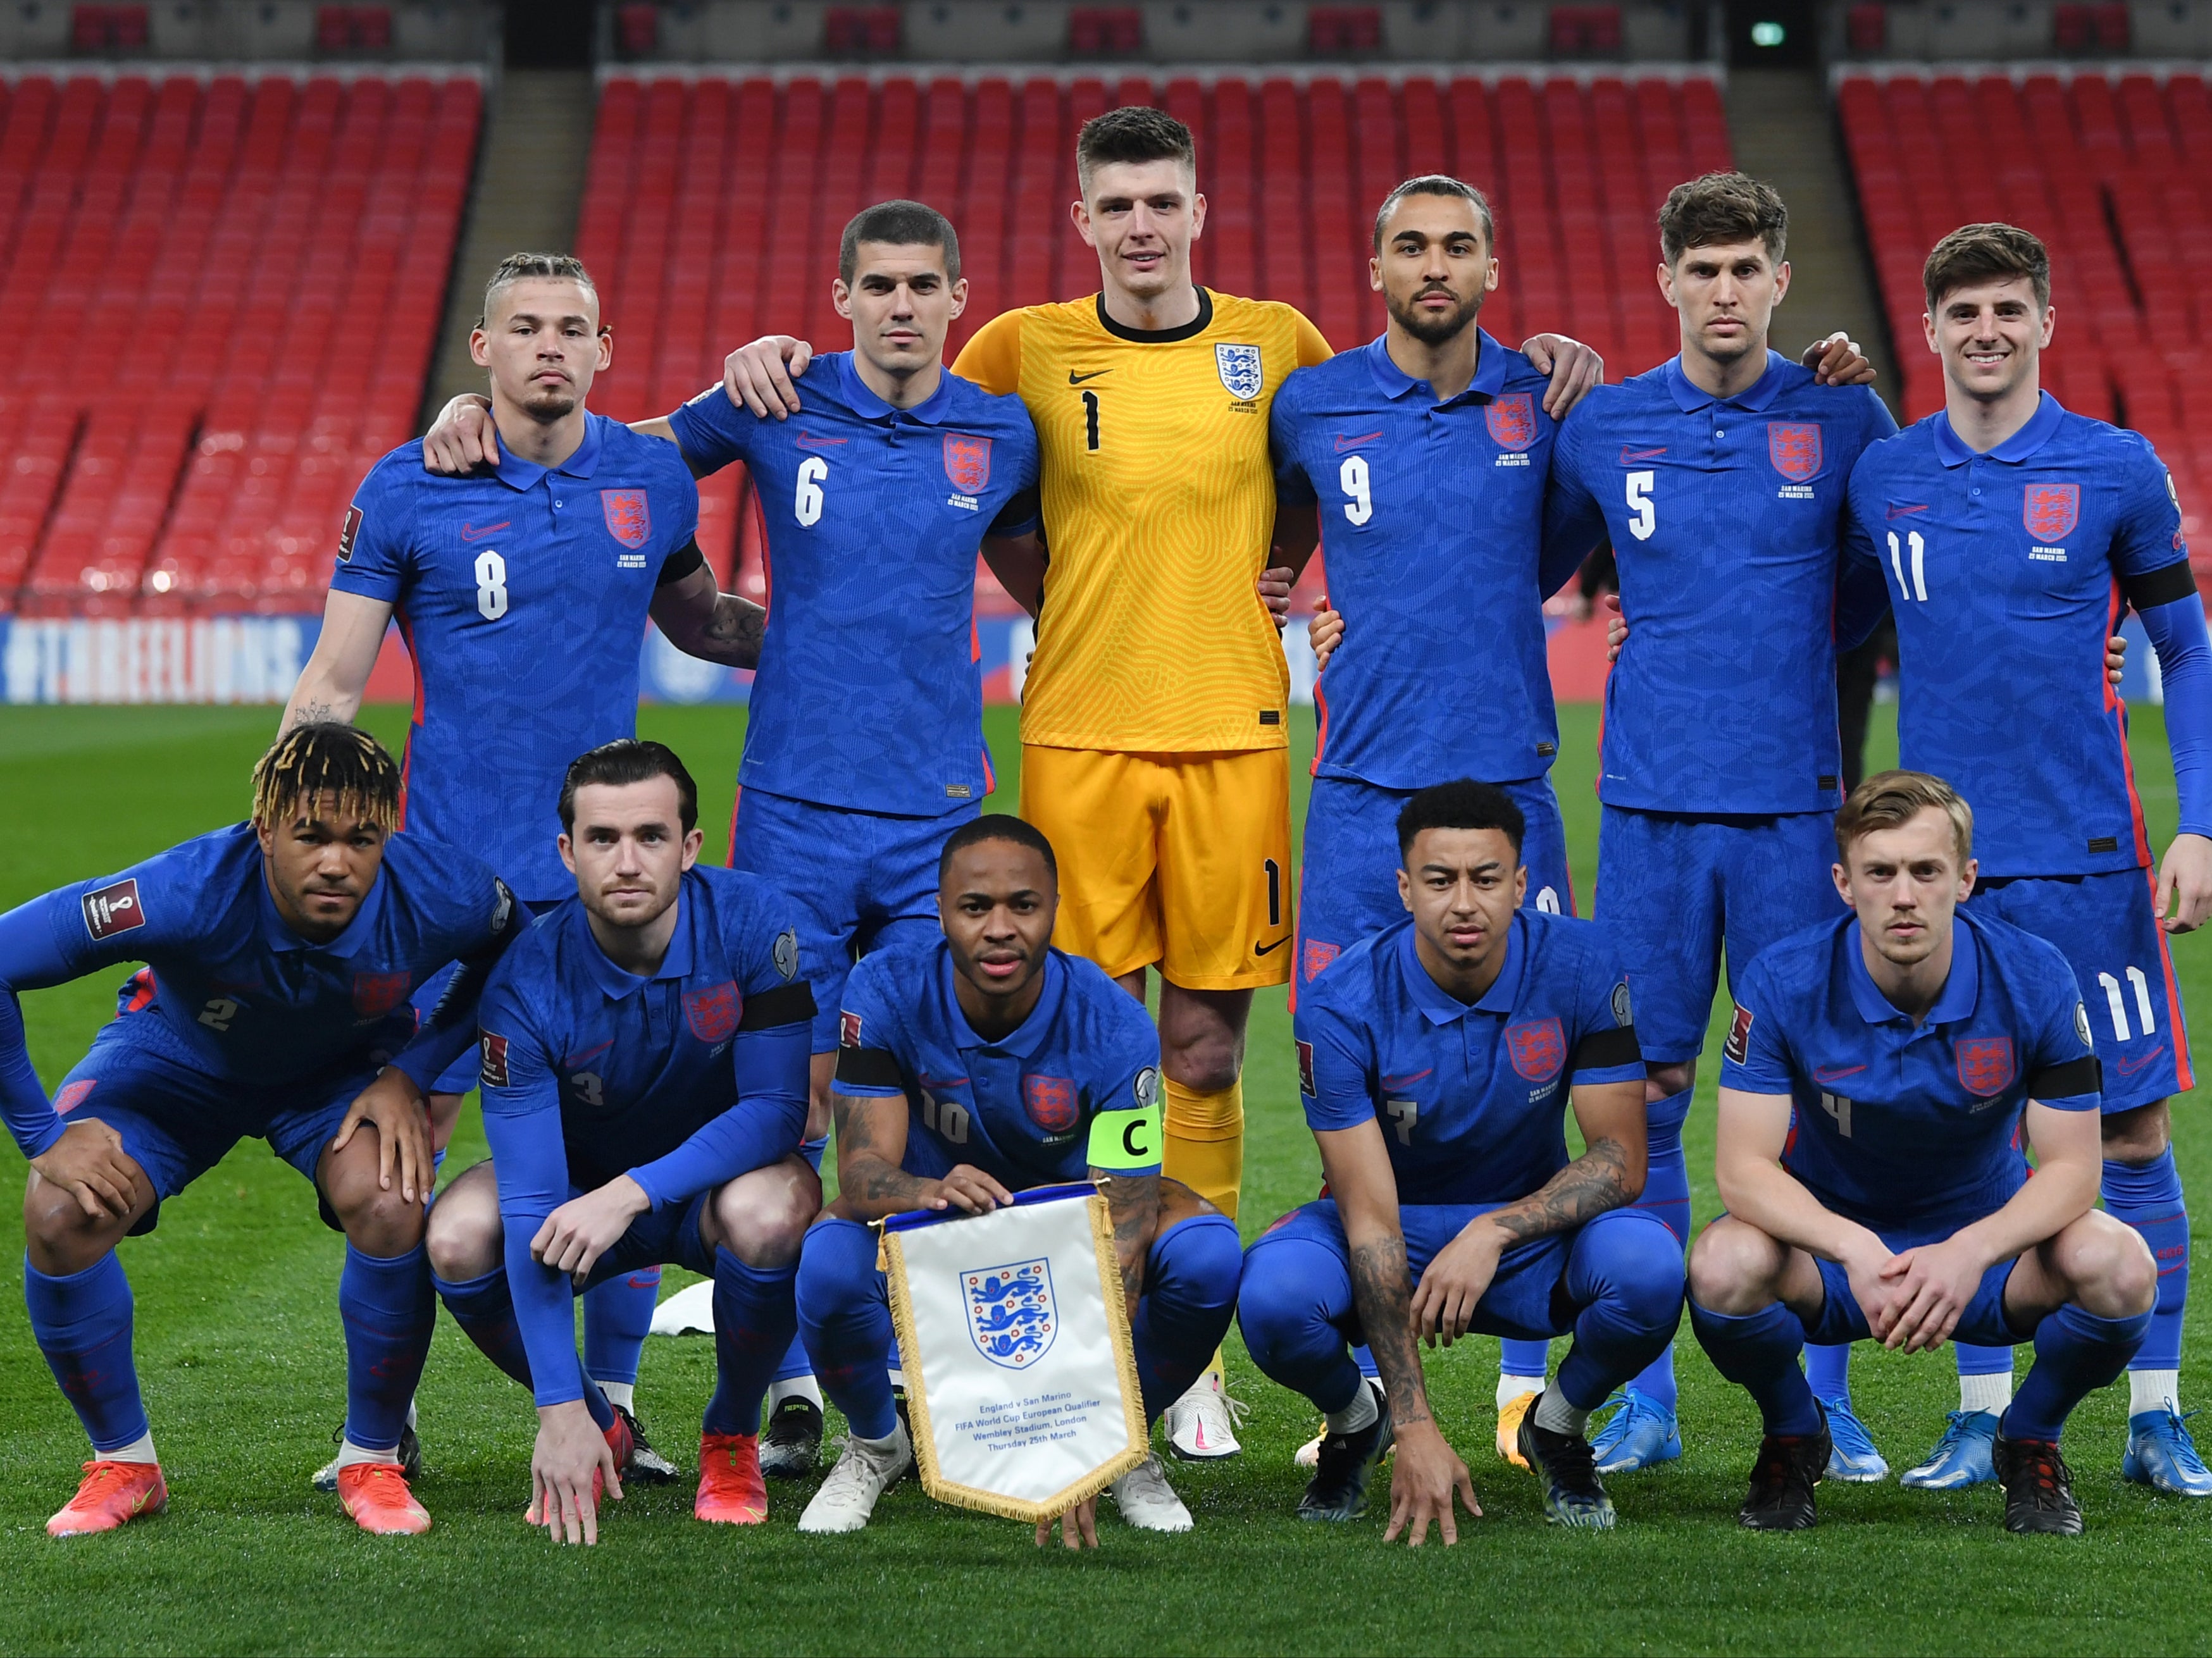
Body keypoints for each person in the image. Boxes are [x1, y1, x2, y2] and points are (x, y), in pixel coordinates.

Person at [718, 106, 1605, 1460]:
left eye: (1163, 203)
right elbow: (967, 480)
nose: (1141, 225)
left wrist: (1276, 584)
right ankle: (1082, 1312)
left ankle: (1181, 1345)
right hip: (1075, 737)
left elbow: (1317, 480)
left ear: (1200, 211)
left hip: (1234, 741)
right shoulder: (1017, 344)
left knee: (1199, 1043)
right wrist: (775, 354)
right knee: (1080, 1043)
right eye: (1116, 204)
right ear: (1082, 219)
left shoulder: (1283, 345)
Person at [419, 206, 1042, 1475]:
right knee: (797, 1096)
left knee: (940, 1098)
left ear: (961, 295)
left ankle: (958, 1381)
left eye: (925, 284)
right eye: (878, 284)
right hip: (793, 815)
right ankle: (804, 1377)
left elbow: (1071, 557)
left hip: (937, 808)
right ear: (843, 293)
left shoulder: (1001, 428)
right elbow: (617, 457)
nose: (903, 305)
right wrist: (473, 419)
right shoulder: (770, 395)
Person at [1275, 171, 1870, 1466]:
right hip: (1362, 795)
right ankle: (1391, 1390)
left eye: (1457, 245)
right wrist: (1286, 601)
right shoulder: (1328, 401)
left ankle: (1735, 1390)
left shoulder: (1575, 408)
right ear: (1373, 262)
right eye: (1410, 245)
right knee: (1366, 1083)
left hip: (1537, 791)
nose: (1433, 263)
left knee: (1561, 1076)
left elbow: (1855, 585)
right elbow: (1264, 539)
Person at [286, 252, 756, 1484]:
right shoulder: (405, 484)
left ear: (605, 347)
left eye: (573, 328)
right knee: (396, 1162)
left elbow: (702, 623)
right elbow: (334, 685)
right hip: (442, 891)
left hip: (599, 889)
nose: (550, 346)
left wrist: (851, 635)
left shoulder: (650, 476)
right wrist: (276, 843)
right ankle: (369, 1438)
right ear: (481, 350)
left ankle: (607, 1407)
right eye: (524, 328)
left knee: (630, 1129)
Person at [1838, 222, 2212, 1494]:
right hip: (1942, 873)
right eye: (1962, 313)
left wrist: (2199, 822)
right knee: (1967, 1135)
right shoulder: (1884, 474)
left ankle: (2155, 1413)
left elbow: (2188, 649)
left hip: (2090, 858)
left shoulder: (2112, 467)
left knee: (2129, 1128)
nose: (1985, 331)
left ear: (2043, 321)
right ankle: (1976, 1409)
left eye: (2006, 309)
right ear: (1930, 330)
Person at [0, 724, 529, 1536]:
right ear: (265, 829)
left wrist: (412, 1073)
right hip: (176, 1061)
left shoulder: (440, 888)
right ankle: (125, 1463)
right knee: (62, 1210)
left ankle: (372, 1458)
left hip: (338, 1074)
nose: (336, 861)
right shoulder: (183, 888)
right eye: (311, 834)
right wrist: (42, 1134)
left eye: (361, 838)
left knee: (392, 1197)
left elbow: (515, 948)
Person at [1689, 770, 2154, 1533]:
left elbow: (2075, 1168)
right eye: (1880, 872)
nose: (1903, 895)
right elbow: (1742, 1167)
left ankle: (2030, 1435)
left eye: (1925, 870)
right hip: (1834, 1257)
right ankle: (1792, 1432)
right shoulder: (1781, 978)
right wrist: (1853, 1247)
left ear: (1965, 878)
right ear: (1844, 882)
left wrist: (1969, 1250)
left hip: (1989, 1254)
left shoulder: (2035, 974)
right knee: (1720, 1264)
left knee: (2121, 1265)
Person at [1238, 779, 1679, 1535]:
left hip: (1523, 1240)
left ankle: (1557, 1424)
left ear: (1519, 883)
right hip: (1387, 1228)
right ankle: (1357, 1421)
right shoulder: (1340, 1001)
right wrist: (1414, 1424)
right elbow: (1370, 1218)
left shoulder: (1582, 963)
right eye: (1439, 880)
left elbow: (1619, 1160)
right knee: (1274, 1294)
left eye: (1485, 878)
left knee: (1649, 1267)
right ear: (1405, 888)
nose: (1464, 902)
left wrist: (1494, 1231)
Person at [792, 815, 1243, 1540]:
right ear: (941, 911)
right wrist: (925, 1191)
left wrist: (1094, 1431)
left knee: (1207, 1253)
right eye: (976, 907)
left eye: (1022, 906)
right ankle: (879, 1441)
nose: (1000, 928)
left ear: (1054, 909)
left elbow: (1123, 1234)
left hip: (1075, 1242)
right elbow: (864, 1171)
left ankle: (1128, 1447)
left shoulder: (1116, 1024)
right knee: (825, 1261)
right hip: (935, 1230)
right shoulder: (883, 987)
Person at [423, 740, 818, 1541]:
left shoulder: (752, 921)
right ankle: (603, 1425)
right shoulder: (524, 979)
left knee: (775, 1211)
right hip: (579, 1194)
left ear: (691, 846)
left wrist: (633, 1189)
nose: (628, 861)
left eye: (651, 835)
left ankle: (731, 1434)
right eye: (603, 839)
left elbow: (781, 1110)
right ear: (568, 851)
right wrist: (559, 1407)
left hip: (708, 1190)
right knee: (458, 1233)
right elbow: (534, 1199)